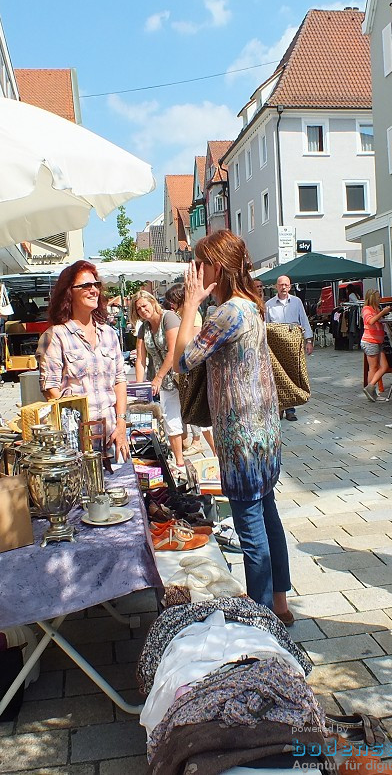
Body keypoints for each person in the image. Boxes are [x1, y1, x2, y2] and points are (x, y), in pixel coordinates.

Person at [174, 230, 292, 624]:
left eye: (201, 263)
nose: (196, 270)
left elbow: (183, 361)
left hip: (240, 438)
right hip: (265, 433)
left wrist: (190, 305)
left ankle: (261, 623)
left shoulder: (225, 313)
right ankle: (279, 604)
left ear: (218, 268)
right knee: (268, 514)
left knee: (251, 530)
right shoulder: (251, 306)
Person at [36, 260, 129, 461]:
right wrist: (74, 430)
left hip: (111, 435)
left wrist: (121, 424)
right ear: (69, 292)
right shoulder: (55, 336)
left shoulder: (109, 334)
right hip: (76, 441)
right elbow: (50, 389)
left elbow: (120, 380)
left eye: (96, 285)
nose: (94, 290)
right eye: (86, 285)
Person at [132, 290, 186, 472]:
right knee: (171, 419)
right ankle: (179, 463)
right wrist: (140, 389)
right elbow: (140, 359)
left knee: (200, 423)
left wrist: (158, 377)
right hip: (164, 382)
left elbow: (173, 351)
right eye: (138, 309)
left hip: (182, 375)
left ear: (153, 303)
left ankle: (217, 459)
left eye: (144, 306)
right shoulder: (143, 328)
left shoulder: (168, 318)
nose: (142, 310)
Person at [164, 284, 217, 458]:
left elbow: (192, 345)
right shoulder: (182, 315)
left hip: (193, 371)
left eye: (172, 300)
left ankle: (215, 452)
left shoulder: (191, 316)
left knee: (199, 413)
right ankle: (199, 443)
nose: (171, 304)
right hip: (188, 371)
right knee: (193, 412)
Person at [265, 275, 313, 421]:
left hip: (293, 344)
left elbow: (303, 320)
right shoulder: (269, 304)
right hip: (276, 345)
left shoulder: (296, 302)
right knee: (277, 377)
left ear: (290, 286)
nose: (283, 287)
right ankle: (279, 408)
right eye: (281, 285)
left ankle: (290, 409)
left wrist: (309, 340)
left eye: (286, 285)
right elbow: (265, 325)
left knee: (292, 376)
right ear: (276, 287)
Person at [359, 290, 390, 402]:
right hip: (370, 341)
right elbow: (370, 321)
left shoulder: (377, 309)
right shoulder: (367, 309)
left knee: (384, 366)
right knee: (373, 368)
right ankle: (371, 390)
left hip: (377, 341)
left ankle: (370, 387)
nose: (380, 299)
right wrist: (382, 313)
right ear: (372, 298)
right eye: (378, 297)